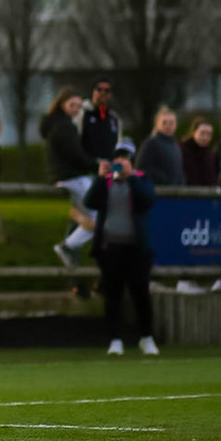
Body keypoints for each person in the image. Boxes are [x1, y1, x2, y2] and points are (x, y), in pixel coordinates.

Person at [85, 147, 159, 357]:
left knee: (141, 294)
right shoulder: (106, 181)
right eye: (117, 160)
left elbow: (147, 200)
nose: (121, 163)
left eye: (125, 160)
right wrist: (100, 178)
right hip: (110, 248)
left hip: (136, 249)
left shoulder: (142, 179)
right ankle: (115, 340)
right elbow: (89, 202)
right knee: (113, 295)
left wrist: (131, 178)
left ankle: (147, 338)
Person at [45, 88, 100, 272]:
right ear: (62, 104)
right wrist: (96, 164)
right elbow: (75, 156)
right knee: (100, 217)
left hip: (64, 176)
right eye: (72, 105)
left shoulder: (56, 124)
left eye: (78, 106)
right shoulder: (64, 127)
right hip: (73, 177)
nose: (76, 109)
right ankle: (68, 246)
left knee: (89, 217)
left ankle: (71, 244)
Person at [136, 107, 184, 186]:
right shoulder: (151, 143)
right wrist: (165, 180)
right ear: (157, 124)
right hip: (158, 192)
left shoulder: (176, 146)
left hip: (175, 192)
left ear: (175, 124)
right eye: (164, 122)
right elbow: (142, 168)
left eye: (171, 123)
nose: (168, 126)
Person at [80, 78, 124, 164]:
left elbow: (119, 145)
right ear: (93, 92)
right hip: (86, 170)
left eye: (107, 90)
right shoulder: (82, 114)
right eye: (99, 89)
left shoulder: (114, 118)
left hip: (108, 169)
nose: (103, 93)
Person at [180, 117, 218, 187]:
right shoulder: (182, 151)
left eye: (208, 134)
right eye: (202, 133)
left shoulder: (210, 154)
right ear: (193, 132)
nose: (205, 137)